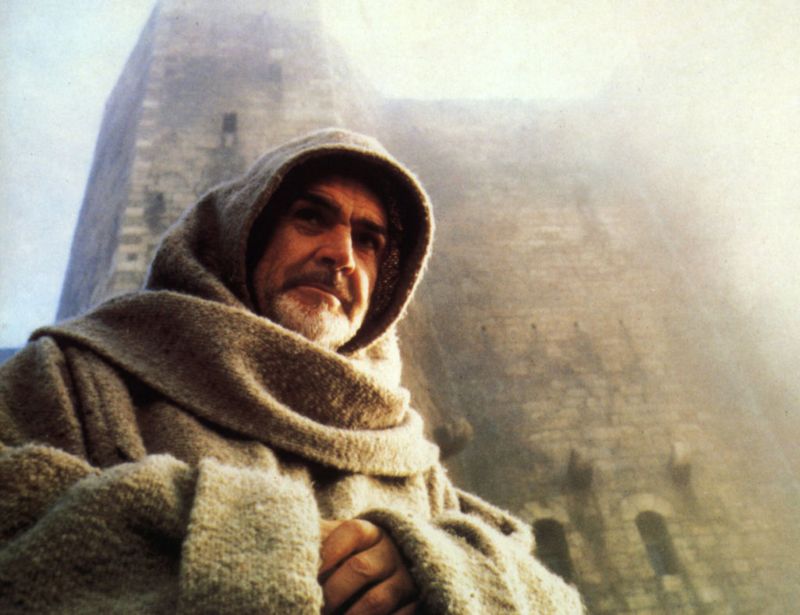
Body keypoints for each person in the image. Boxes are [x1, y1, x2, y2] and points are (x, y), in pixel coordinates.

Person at [0, 129, 583, 613]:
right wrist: (281, 543)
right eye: (310, 218)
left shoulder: (408, 458)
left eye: (368, 241)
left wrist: (432, 565)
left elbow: (547, 598)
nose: (341, 255)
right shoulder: (80, 377)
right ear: (247, 234)